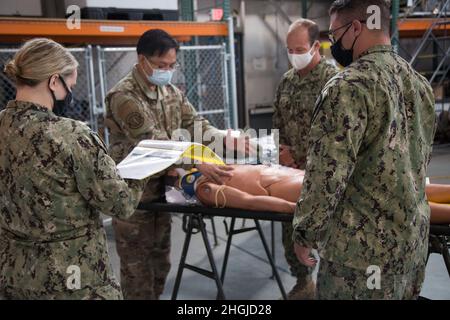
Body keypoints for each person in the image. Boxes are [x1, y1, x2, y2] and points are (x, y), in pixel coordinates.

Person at [292, 0, 436, 299]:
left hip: (359, 256)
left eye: (334, 35)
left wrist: (306, 232)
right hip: (410, 248)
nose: (334, 44)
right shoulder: (419, 84)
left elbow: (326, 175)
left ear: (356, 27)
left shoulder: (348, 86)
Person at [105, 29, 248, 300]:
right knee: (137, 269)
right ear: (142, 60)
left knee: (161, 263)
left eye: (172, 66)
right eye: (161, 66)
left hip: (163, 189)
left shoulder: (169, 92)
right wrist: (197, 161)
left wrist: (226, 139)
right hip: (133, 196)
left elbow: (196, 125)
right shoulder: (124, 96)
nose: (167, 71)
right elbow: (153, 141)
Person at [0, 38, 147, 299]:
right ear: (53, 81)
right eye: (71, 87)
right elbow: (120, 205)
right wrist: (144, 168)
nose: (70, 95)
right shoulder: (70, 135)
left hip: (14, 276)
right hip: (75, 280)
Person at [272, 18, 339, 299]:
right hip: (290, 173)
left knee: (330, 233)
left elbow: (336, 134)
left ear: (316, 47)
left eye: (299, 49)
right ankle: (304, 283)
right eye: (289, 49)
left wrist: (299, 156)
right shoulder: (287, 81)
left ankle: (333, 287)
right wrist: (281, 152)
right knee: (292, 230)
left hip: (324, 174)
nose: (294, 55)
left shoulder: (333, 81)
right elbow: (278, 125)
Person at [170, 166, 450, 225]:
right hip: (308, 187)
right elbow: (253, 203)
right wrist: (295, 209)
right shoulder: (204, 189)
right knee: (391, 199)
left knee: (394, 190)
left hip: (311, 177)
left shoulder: (215, 169)